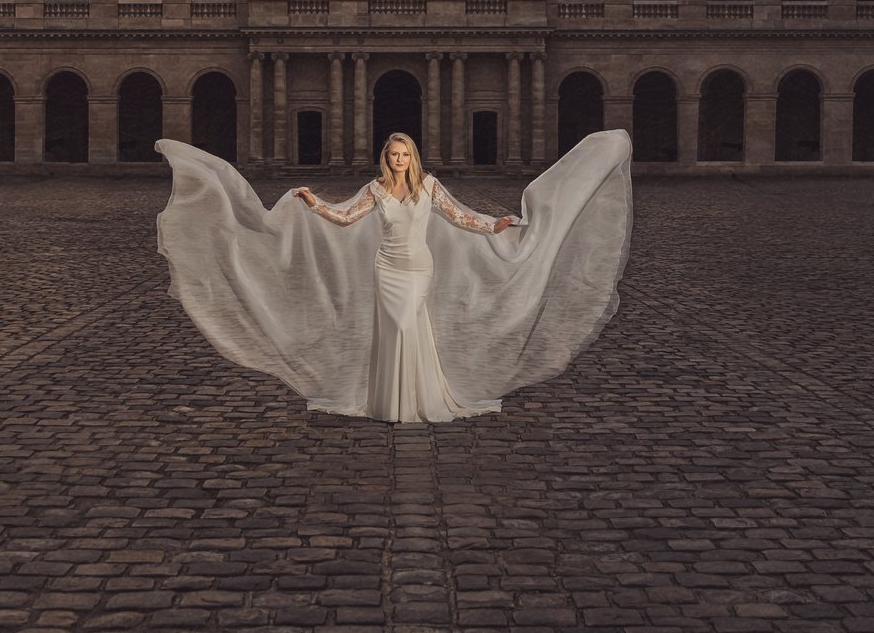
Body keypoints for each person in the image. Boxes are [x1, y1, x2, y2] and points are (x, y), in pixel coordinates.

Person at [155, 126, 634, 424]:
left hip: (417, 267)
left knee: (411, 327)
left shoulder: (429, 185)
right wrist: (314, 203)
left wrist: (497, 224)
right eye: (395, 154)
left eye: (406, 153)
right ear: (387, 158)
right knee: (392, 330)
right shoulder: (375, 189)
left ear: (414, 157)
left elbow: (459, 217)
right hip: (385, 267)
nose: (400, 159)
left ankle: (420, 400)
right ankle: (390, 402)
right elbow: (345, 218)